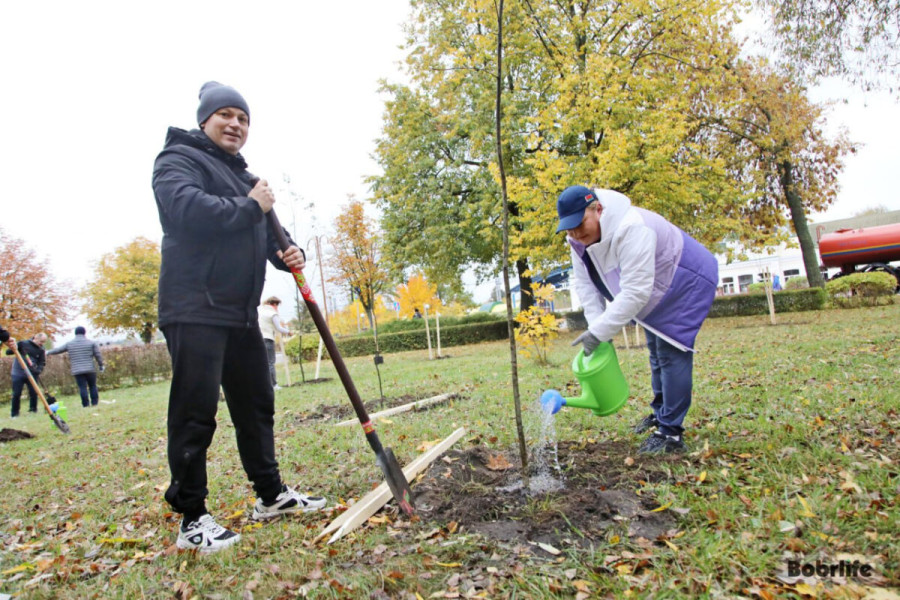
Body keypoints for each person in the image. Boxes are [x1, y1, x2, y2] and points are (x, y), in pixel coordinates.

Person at [152, 81, 326, 554]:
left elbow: (263, 231)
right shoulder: (177, 160)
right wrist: (252, 206)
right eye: (226, 115)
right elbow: (189, 211)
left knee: (256, 405)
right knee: (195, 413)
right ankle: (192, 518)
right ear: (204, 120)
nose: (236, 124)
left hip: (239, 312)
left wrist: (286, 251)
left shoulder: (243, 176)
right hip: (195, 307)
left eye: (243, 118)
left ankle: (271, 496)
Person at [557, 185, 718, 454]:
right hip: (656, 286)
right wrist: (597, 328)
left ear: (598, 209)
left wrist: (599, 332)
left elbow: (636, 291)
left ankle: (671, 433)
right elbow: (586, 285)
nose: (575, 233)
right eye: (568, 228)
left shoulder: (632, 227)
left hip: (686, 279)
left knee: (671, 351)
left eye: (580, 223)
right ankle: (660, 413)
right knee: (655, 350)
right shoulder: (578, 240)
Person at [47, 327, 104, 408]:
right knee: (92, 386)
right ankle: (94, 403)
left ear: (75, 333)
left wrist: (47, 352)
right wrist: (101, 365)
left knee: (82, 387)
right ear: (84, 333)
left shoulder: (70, 344)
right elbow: (98, 355)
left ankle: (85, 404)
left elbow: (58, 350)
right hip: (90, 369)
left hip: (77, 370)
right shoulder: (91, 343)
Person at [6, 332, 48, 417]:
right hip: (18, 372)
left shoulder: (41, 349)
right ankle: (14, 413)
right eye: (41, 341)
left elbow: (42, 362)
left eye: (44, 342)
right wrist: (14, 348)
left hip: (32, 373)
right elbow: (8, 352)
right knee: (16, 394)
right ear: (35, 338)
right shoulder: (23, 344)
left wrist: (38, 370)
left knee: (34, 393)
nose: (42, 344)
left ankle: (33, 410)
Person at [258, 296, 291, 389]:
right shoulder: (272, 314)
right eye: (276, 305)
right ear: (274, 304)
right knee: (270, 363)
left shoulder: (260, 312)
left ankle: (263, 385)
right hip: (268, 339)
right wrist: (289, 332)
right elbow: (279, 328)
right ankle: (273, 385)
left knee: (262, 363)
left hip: (259, 339)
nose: (277, 307)